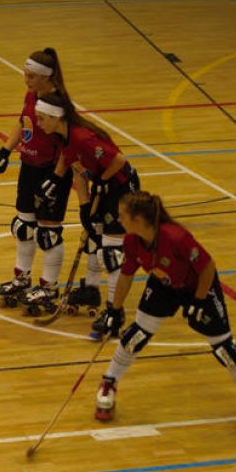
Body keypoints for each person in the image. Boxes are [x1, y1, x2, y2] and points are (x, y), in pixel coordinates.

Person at [92, 190, 236, 437]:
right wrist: (114, 309)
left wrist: (199, 301)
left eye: (122, 215)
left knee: (224, 347)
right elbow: (126, 276)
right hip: (164, 285)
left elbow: (207, 267)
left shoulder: (176, 237)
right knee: (135, 335)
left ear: (138, 220)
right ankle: (109, 382)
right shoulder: (132, 241)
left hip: (199, 287)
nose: (118, 219)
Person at [31, 91, 139, 321]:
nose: (38, 124)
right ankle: (91, 290)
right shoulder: (63, 137)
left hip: (121, 187)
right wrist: (84, 206)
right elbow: (78, 170)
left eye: (41, 118)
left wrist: (101, 181)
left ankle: (114, 311)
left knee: (111, 253)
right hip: (103, 187)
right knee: (95, 238)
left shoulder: (82, 137)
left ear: (56, 117)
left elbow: (119, 160)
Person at [0, 49, 84, 313]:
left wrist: (56, 177)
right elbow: (24, 123)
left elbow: (69, 144)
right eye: (25, 75)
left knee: (48, 233)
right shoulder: (31, 95)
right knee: (23, 226)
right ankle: (22, 277)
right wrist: (5, 150)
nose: (27, 80)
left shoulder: (59, 103)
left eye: (31, 76)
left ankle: (49, 286)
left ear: (46, 77)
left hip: (52, 171)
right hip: (29, 166)